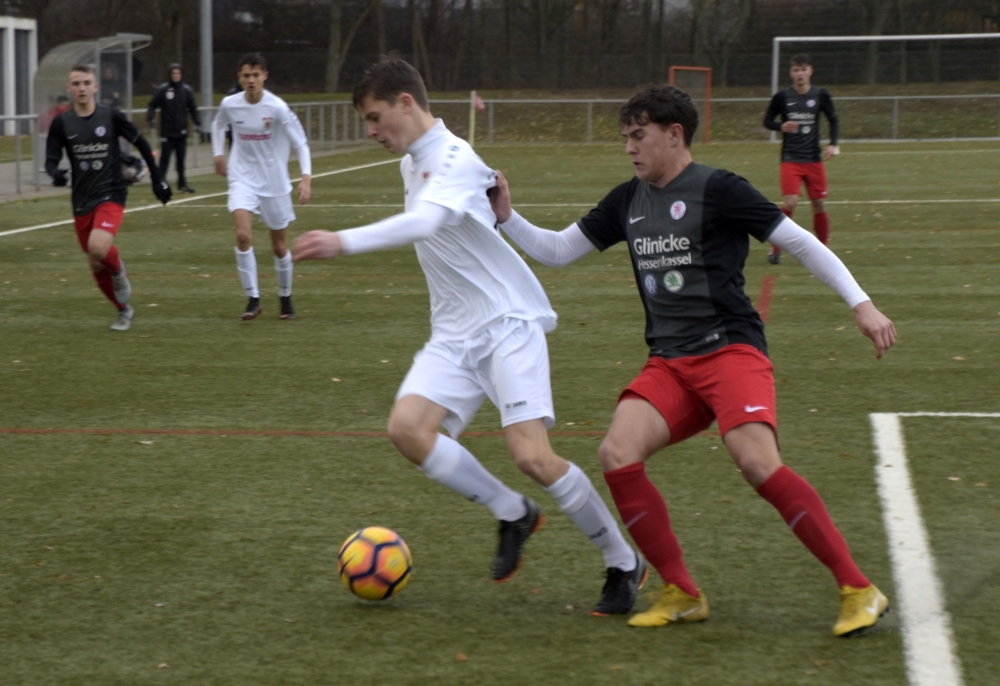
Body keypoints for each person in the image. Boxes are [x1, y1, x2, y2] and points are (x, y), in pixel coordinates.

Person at [488, 85, 896, 636]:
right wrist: (508, 218)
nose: (629, 148)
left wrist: (862, 304)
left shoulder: (719, 188)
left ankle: (858, 588)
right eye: (626, 138)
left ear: (673, 134)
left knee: (756, 461)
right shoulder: (626, 200)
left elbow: (800, 243)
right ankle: (680, 590)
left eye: (639, 136)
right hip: (670, 363)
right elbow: (559, 251)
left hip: (730, 349)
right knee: (617, 452)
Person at [293, 56, 647, 615]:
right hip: (454, 333)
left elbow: (425, 224)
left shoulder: (454, 157)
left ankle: (623, 562)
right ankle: (513, 513)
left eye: (376, 116)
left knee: (532, 454)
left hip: (507, 323)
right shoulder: (413, 163)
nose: (371, 131)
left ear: (406, 103)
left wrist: (344, 241)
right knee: (408, 430)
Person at [45, 63, 172, 331]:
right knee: (94, 260)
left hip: (111, 193)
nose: (81, 88)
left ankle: (118, 270)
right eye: (76, 83)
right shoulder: (62, 122)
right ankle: (123, 309)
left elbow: (141, 143)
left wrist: (158, 178)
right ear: (69, 88)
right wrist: (55, 172)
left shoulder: (111, 116)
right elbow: (51, 158)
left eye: (85, 83)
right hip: (81, 200)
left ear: (95, 86)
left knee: (98, 248)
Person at [211, 53, 311, 321]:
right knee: (243, 236)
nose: (251, 80)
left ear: (265, 76)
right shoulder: (230, 104)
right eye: (246, 75)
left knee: (279, 246)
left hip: (274, 181)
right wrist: (219, 155)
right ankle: (253, 299)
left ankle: (285, 297)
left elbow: (301, 143)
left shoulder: (277, 107)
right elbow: (218, 125)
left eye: (256, 75)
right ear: (239, 78)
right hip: (242, 178)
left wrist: (305, 177)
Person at [763, 53, 839, 265]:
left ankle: (824, 251)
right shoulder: (782, 97)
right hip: (790, 158)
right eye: (796, 70)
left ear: (810, 71)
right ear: (791, 73)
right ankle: (776, 246)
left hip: (814, 159)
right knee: (791, 201)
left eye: (803, 69)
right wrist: (780, 126)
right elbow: (767, 120)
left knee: (820, 205)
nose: (800, 74)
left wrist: (833, 144)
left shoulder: (821, 95)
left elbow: (833, 119)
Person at [147, 63, 202, 193]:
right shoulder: (163, 89)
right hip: (167, 131)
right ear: (170, 75)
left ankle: (182, 184)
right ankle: (160, 183)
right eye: (173, 73)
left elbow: (192, 108)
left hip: (181, 131)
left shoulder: (186, 90)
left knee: (181, 161)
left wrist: (198, 123)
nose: (176, 76)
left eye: (178, 73)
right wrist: (151, 118)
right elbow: (152, 105)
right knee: (164, 159)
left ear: (181, 75)